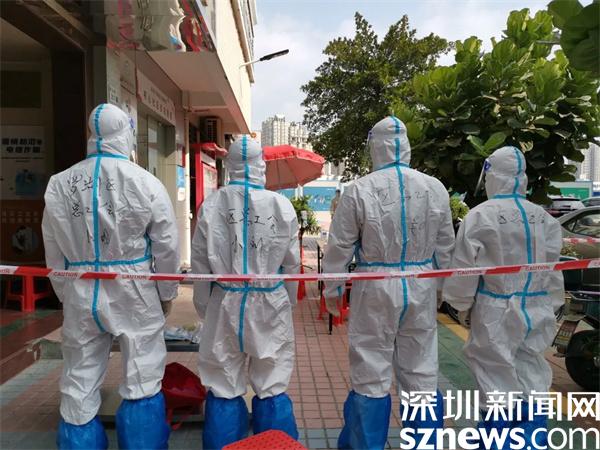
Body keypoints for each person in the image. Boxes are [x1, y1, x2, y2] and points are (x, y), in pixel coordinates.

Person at [42, 103, 180, 450]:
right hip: (134, 287)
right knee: (142, 372)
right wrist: (166, 292)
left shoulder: (58, 184)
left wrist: (66, 292)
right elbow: (167, 246)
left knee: (79, 374)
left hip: (79, 284)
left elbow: (52, 249)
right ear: (126, 135)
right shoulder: (146, 182)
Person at [323, 116, 455, 449]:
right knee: (421, 371)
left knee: (370, 370)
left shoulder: (359, 190)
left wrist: (333, 290)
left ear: (375, 147)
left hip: (375, 284)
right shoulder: (434, 188)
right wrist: (441, 289)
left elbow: (339, 246)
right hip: (421, 283)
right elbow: (445, 247)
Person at [443, 146, 564, 449]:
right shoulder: (544, 218)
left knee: (494, 379)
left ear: (493, 176)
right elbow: (554, 269)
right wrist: (551, 304)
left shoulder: (480, 216)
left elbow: (465, 270)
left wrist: (460, 304)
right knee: (532, 373)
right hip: (537, 305)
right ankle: (531, 440)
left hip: (495, 308)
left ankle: (497, 442)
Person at [192, 135, 300, 449]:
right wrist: (288, 302)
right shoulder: (281, 205)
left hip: (225, 300)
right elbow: (292, 264)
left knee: (223, 382)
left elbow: (200, 264)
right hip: (270, 302)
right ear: (260, 165)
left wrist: (204, 305)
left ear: (230, 165)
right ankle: (276, 444)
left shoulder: (212, 204)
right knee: (272, 380)